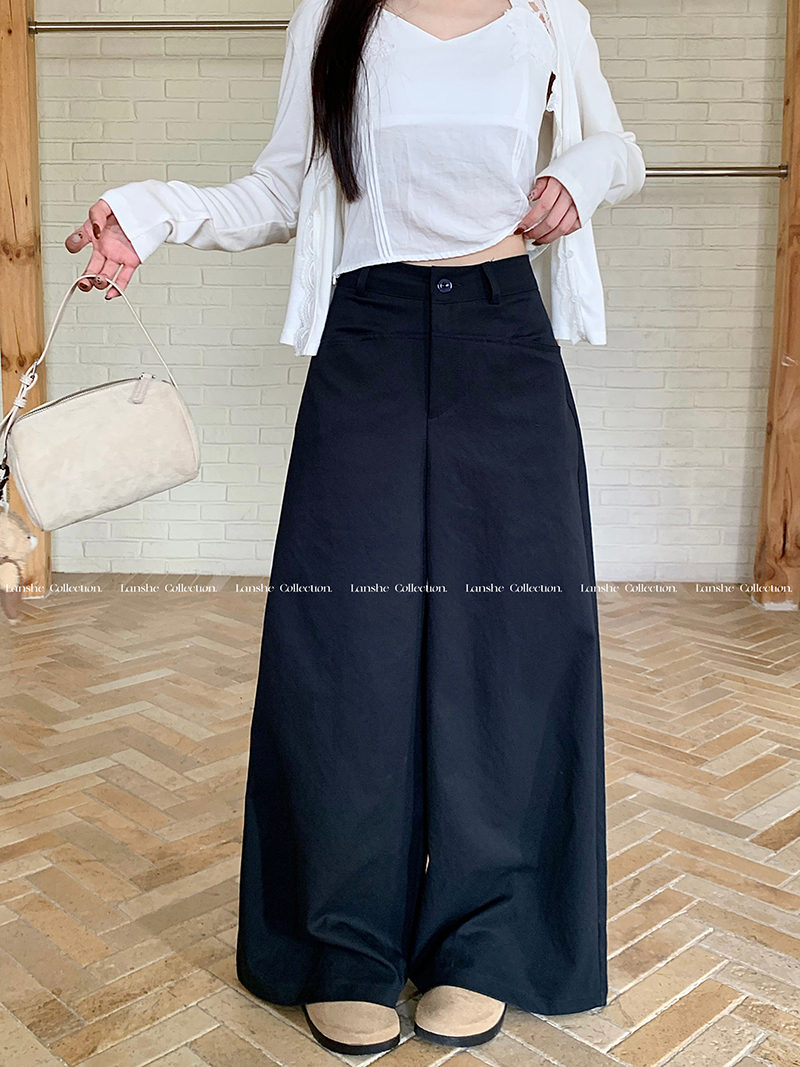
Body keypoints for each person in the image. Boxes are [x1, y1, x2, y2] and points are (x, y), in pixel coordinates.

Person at [66, 0, 645, 1054]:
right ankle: (344, 940)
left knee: (511, 648)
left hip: (503, 337)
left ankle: (485, 938)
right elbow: (279, 188)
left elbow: (622, 147)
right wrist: (151, 211)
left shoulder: (546, 12)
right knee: (342, 648)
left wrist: (583, 171)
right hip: (368, 334)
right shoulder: (332, 17)